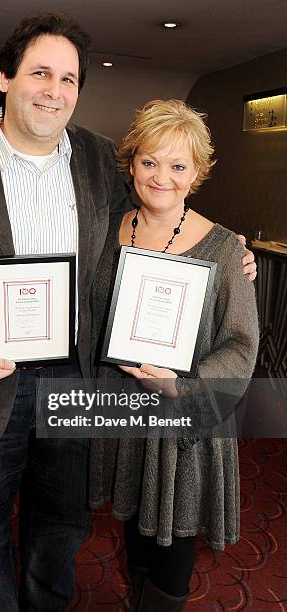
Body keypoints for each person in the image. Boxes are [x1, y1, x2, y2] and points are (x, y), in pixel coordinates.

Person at [0, 13, 256, 612]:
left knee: (60, 532)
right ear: (5, 78)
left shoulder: (101, 161)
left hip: (75, 383)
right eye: (40, 72)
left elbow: (157, 212)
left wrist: (228, 249)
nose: (54, 90)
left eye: (68, 78)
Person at [89, 99, 260, 611]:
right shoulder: (106, 233)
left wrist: (181, 384)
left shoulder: (227, 250)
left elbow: (241, 346)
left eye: (178, 165)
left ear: (196, 173)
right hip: (123, 412)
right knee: (135, 529)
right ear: (132, 164)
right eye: (149, 162)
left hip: (184, 420)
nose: (161, 176)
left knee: (172, 543)